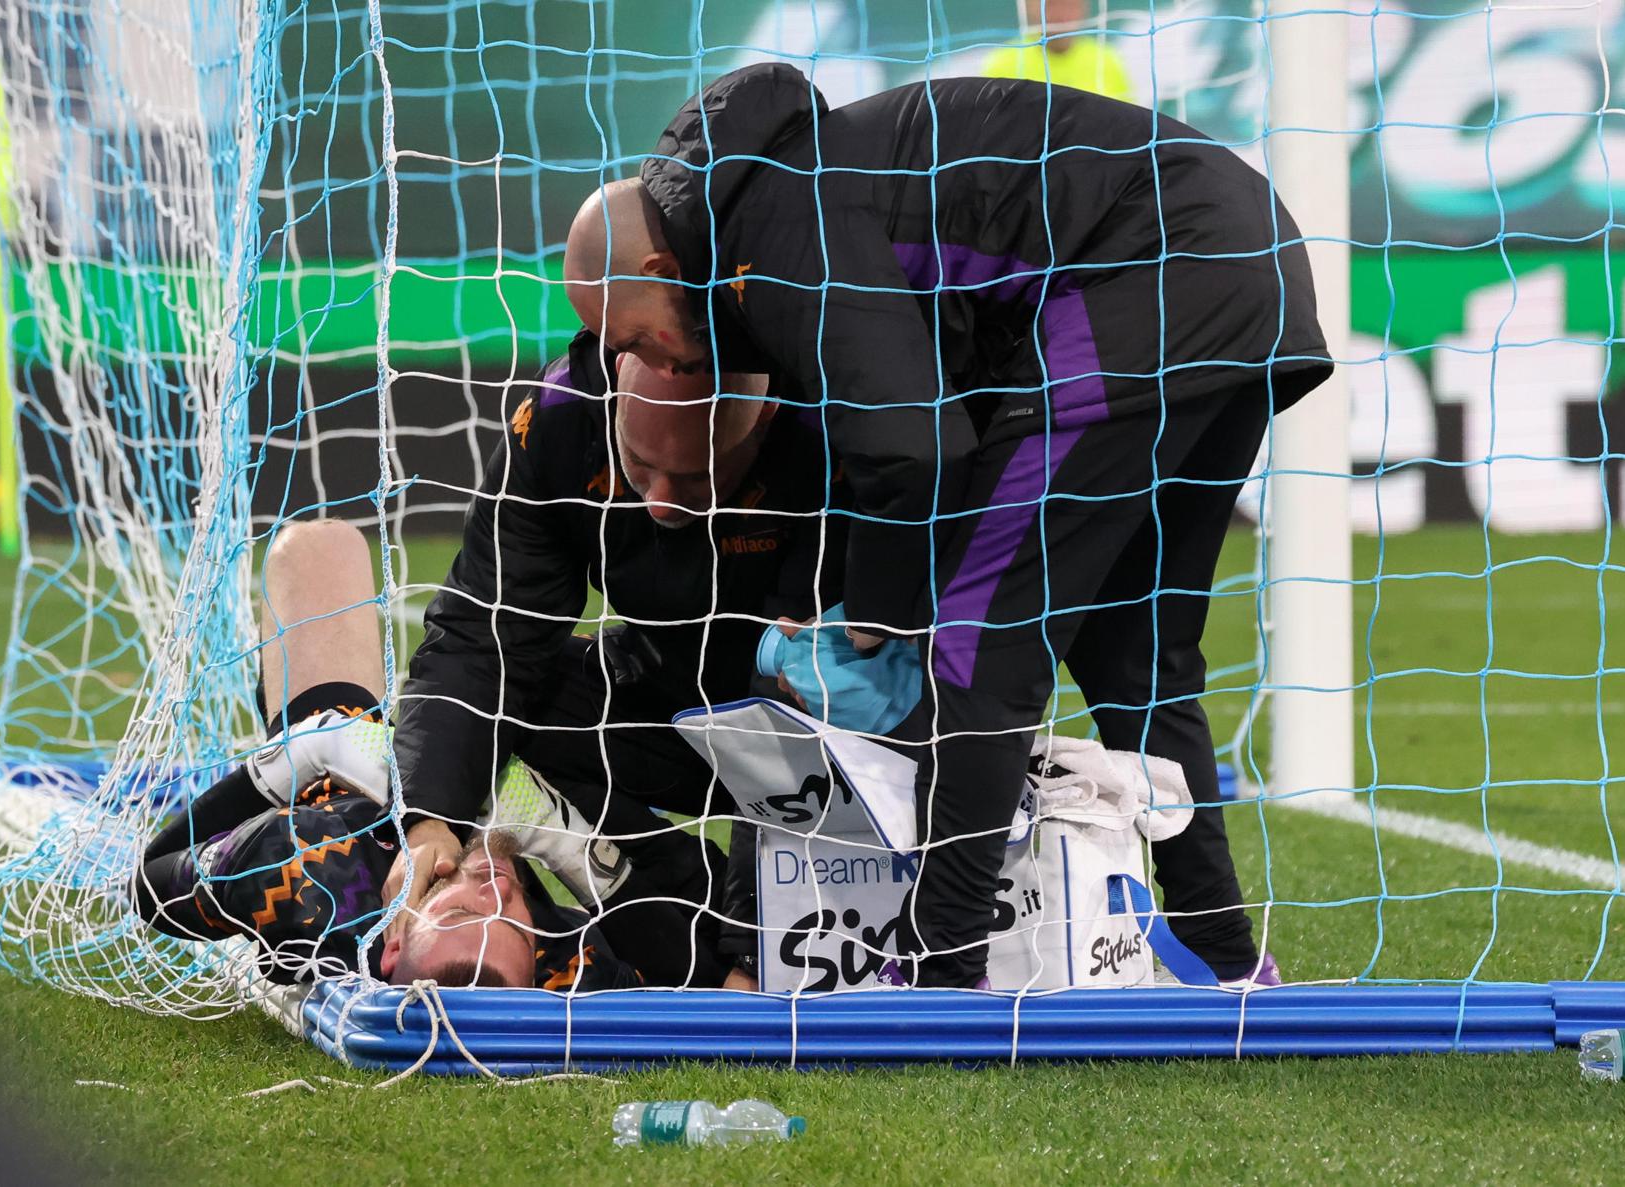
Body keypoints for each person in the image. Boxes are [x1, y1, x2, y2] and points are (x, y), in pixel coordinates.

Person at [562, 64, 1333, 987]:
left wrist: (875, 613)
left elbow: (913, 448)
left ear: (656, 272)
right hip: (1248, 268)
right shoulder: (808, 184)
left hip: (1147, 272)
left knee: (978, 644)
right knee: (1139, 655)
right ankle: (1226, 957)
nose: (635, 361)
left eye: (630, 337)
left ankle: (940, 967)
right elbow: (943, 413)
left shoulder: (769, 231)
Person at [385, 334, 850, 990]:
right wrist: (427, 817)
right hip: (667, 697)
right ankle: (684, 918)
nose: (660, 501)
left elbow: (789, 702)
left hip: (827, 728)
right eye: (639, 464)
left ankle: (752, 944)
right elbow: (484, 637)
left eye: (694, 476)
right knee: (505, 723)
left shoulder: (830, 427)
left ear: (764, 418)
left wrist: (754, 949)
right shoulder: (560, 419)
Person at [131, 519, 642, 990]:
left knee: (319, 546)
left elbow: (150, 886)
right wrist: (577, 854)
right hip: (495, 752)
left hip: (344, 760)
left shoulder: (303, 874)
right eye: (516, 924)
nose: (496, 888)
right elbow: (679, 961)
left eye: (462, 913)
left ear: (393, 944)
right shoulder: (559, 963)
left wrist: (299, 756)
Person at [981, 0, 1137, 105]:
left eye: (1070, 4)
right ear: (1030, 8)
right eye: (1052, 5)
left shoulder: (1106, 59)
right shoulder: (1004, 63)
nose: (1062, 14)